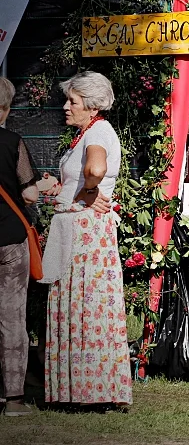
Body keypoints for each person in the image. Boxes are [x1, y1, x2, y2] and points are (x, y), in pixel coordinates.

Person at [39, 71, 131, 408]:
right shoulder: (90, 132)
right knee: (77, 304)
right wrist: (64, 188)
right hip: (78, 228)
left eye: (72, 101)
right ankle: (80, 389)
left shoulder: (98, 133)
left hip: (86, 232)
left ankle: (90, 391)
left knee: (84, 303)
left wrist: (89, 191)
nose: (66, 106)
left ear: (91, 107)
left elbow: (95, 169)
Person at [0, 78, 41, 417]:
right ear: (6, 108)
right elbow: (29, 194)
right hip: (10, 239)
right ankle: (13, 398)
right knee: (11, 317)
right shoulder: (12, 141)